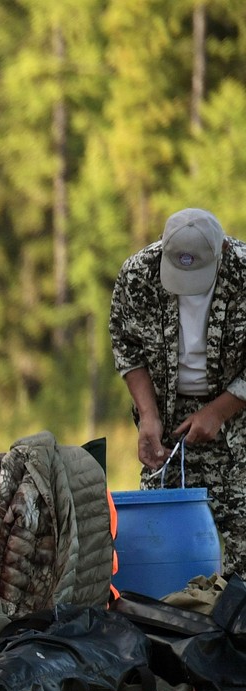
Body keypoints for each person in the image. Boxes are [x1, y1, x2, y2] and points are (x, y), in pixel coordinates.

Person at [110, 208, 246, 577]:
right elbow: (126, 345)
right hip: (168, 423)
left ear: (221, 253)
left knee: (238, 551)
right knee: (161, 542)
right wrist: (148, 416)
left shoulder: (244, 272)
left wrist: (218, 412)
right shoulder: (138, 274)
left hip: (238, 426)